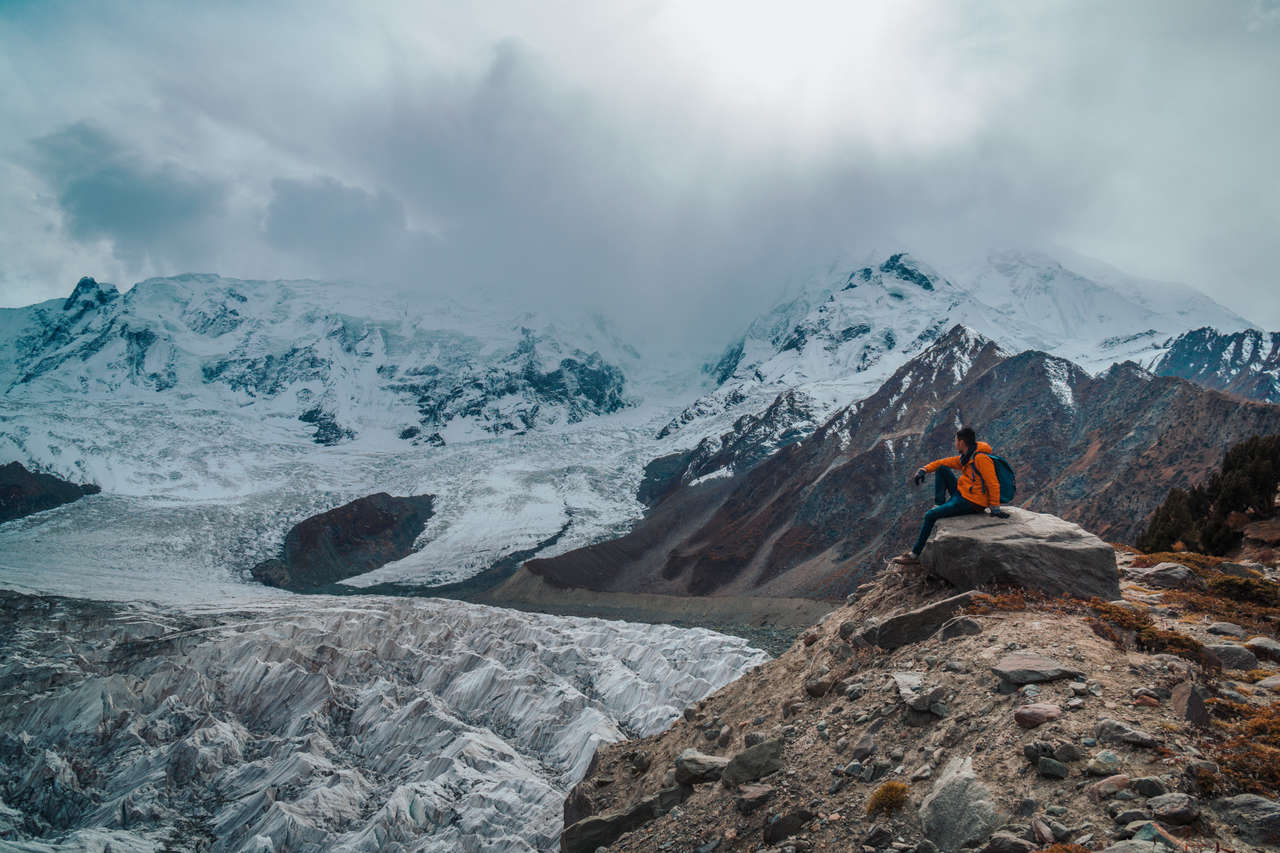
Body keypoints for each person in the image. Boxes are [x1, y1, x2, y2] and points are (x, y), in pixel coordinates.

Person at [892, 426, 1002, 566]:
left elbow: (993, 483)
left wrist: (995, 507)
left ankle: (914, 555)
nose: (955, 443)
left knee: (929, 515)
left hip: (971, 502)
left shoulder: (981, 459)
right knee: (942, 469)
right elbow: (943, 462)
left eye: (956, 440)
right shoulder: (967, 457)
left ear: (961, 442)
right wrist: (924, 469)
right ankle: (939, 504)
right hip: (962, 494)